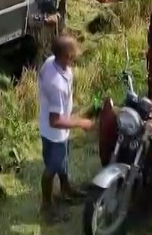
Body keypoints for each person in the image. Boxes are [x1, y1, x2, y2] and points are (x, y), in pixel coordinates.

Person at [38, 33, 95, 222]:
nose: (76, 54)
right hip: (54, 134)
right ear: (66, 56)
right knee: (52, 167)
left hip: (57, 130)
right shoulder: (57, 85)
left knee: (62, 161)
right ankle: (46, 205)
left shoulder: (51, 63)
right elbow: (55, 120)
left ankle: (66, 189)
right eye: (73, 52)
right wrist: (80, 122)